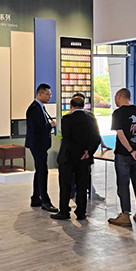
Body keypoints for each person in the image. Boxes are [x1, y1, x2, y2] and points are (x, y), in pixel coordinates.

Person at [51, 97, 101, 220]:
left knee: (65, 185)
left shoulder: (67, 119)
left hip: (68, 157)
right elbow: (96, 138)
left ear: (71, 106)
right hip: (84, 158)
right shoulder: (90, 119)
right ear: (83, 106)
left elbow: (67, 138)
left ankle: (64, 211)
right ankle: (81, 212)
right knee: (82, 185)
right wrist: (88, 152)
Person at [107, 88, 136, 227]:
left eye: (115, 97)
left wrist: (131, 151)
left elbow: (121, 135)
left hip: (123, 154)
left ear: (119, 96)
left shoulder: (118, 113)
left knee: (123, 184)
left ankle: (125, 215)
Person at [25, 84, 58, 212]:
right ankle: (45, 201)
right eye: (47, 94)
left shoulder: (40, 107)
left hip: (40, 145)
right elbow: (36, 128)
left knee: (40, 171)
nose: (49, 97)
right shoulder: (34, 108)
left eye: (50, 94)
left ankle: (36, 198)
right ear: (39, 94)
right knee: (42, 172)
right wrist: (50, 125)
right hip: (37, 145)